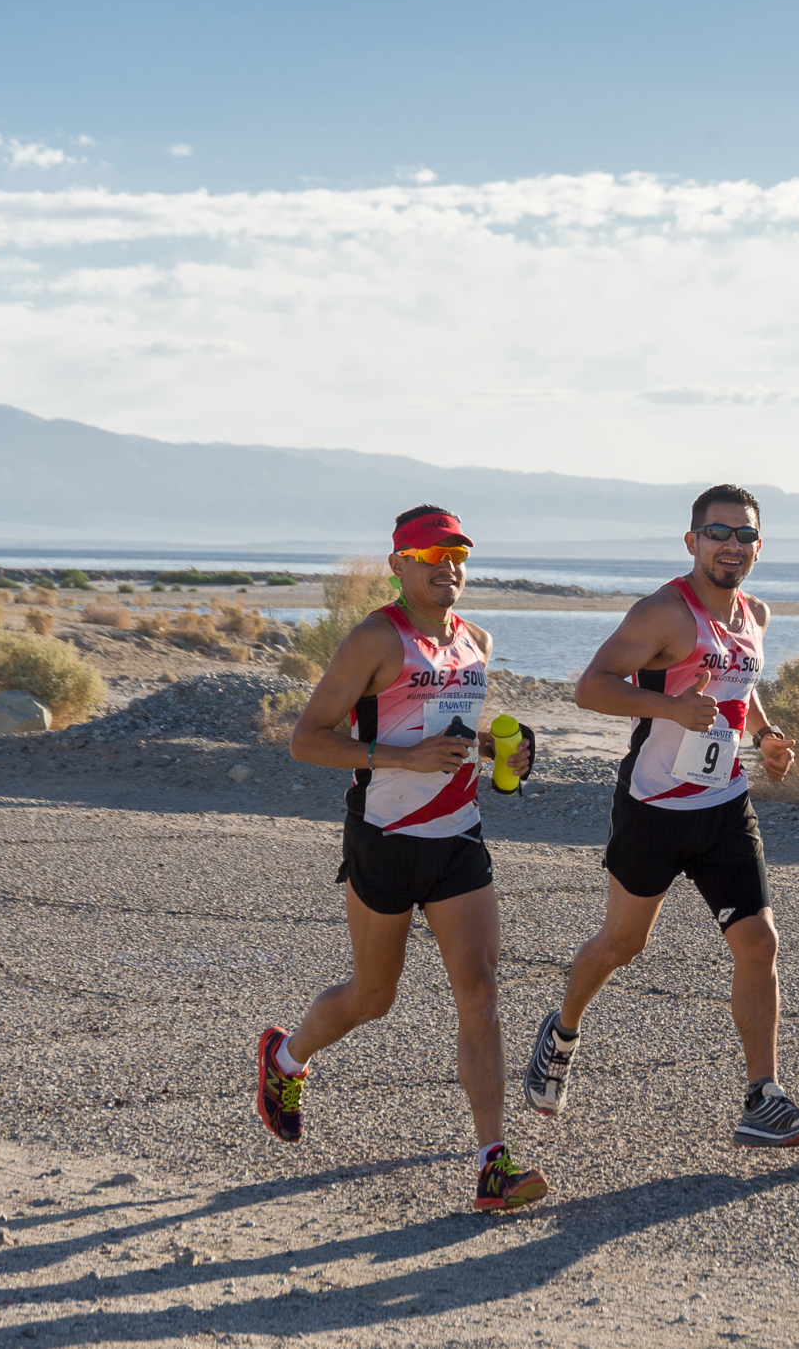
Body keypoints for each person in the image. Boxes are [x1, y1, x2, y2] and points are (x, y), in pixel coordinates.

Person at [254, 504, 549, 1212]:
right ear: (398, 566)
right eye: (429, 557)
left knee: (478, 993)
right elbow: (307, 739)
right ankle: (285, 1059)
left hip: (458, 837)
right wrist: (403, 758)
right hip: (384, 837)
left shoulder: (476, 639)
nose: (447, 567)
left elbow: (452, 732)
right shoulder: (373, 640)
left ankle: (492, 1161)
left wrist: (500, 751)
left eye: (457, 555)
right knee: (371, 998)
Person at [521, 484, 799, 1148]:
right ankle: (562, 1032)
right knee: (621, 946)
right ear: (692, 542)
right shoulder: (664, 613)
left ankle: (762, 1098)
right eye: (718, 533)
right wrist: (667, 709)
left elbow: (737, 691)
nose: (732, 546)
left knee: (759, 944)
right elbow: (590, 687)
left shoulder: (756, 615)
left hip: (723, 807)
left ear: (758, 545)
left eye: (744, 535)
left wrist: (767, 738)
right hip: (654, 811)